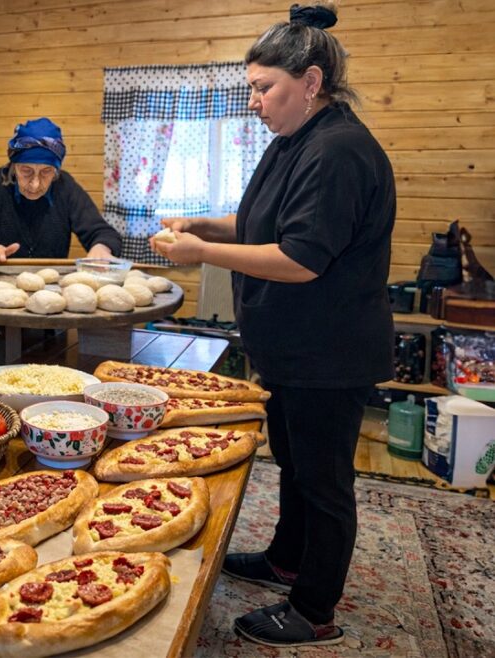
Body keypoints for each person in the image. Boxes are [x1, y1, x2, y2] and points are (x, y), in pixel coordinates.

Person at [151, 1, 395, 648]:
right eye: (252, 88)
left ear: (310, 82)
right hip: (294, 348)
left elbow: (300, 259)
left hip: (329, 352)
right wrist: (203, 225)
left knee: (324, 482)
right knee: (292, 462)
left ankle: (314, 609)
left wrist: (201, 254)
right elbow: (264, 222)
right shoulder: (295, 142)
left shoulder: (339, 151)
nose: (254, 103)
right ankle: (288, 559)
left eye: (264, 88)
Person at [0, 118, 122, 264]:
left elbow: (104, 233)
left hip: (50, 285)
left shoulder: (65, 187)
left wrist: (101, 248)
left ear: (56, 171)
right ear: (14, 166)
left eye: (46, 172)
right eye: (26, 171)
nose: (35, 184)